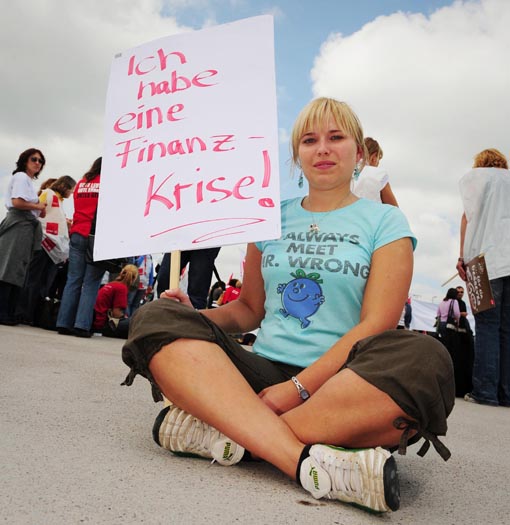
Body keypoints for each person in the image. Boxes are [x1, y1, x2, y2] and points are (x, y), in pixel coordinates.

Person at [121, 97, 454, 513]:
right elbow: (247, 310)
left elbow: (377, 324)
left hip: (346, 385)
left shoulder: (385, 222)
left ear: (360, 154)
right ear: (297, 155)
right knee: (155, 316)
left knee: (426, 358)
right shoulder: (269, 218)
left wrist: (295, 391)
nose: (323, 148)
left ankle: (232, 434)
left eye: (336, 137)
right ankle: (308, 461)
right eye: (310, 140)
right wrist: (193, 316)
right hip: (261, 377)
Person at [456, 148, 510, 407]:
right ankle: (506, 393)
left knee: (487, 325)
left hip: (483, 261)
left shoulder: (475, 178)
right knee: (507, 329)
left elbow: (468, 217)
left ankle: (485, 392)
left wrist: (461, 257)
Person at [16, 175, 76, 325]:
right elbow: (37, 214)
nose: (71, 193)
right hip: (44, 243)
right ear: (65, 186)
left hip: (53, 247)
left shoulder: (58, 200)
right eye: (71, 190)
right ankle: (24, 312)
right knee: (34, 279)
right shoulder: (48, 194)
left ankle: (34, 313)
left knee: (43, 282)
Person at [56, 157, 104, 338]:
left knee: (73, 279)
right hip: (95, 236)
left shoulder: (83, 182)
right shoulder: (106, 183)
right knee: (91, 282)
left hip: (77, 232)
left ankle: (63, 322)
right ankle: (82, 325)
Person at [0, 148, 47, 325]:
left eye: (40, 161)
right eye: (34, 159)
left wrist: (37, 209)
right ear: (24, 160)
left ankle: (8, 311)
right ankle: (4, 312)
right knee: (9, 268)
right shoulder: (20, 177)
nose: (37, 163)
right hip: (19, 224)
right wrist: (38, 207)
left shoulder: (27, 181)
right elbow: (17, 202)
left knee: (16, 269)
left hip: (25, 225)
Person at [156, 248, 221, 309]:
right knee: (164, 277)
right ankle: (162, 311)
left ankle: (194, 318)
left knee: (197, 292)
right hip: (180, 239)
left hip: (204, 241)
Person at [92, 264, 139, 339]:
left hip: (95, 319)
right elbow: (116, 313)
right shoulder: (122, 288)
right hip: (103, 324)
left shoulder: (111, 284)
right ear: (134, 278)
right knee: (136, 322)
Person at [351, 137, 399, 206]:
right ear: (374, 157)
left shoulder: (346, 173)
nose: (378, 164)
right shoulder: (379, 175)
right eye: (378, 159)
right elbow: (394, 210)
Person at [454, 285, 474, 397]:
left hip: (463, 333)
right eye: (459, 292)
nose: (461, 293)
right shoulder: (453, 302)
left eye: (462, 292)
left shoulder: (462, 303)